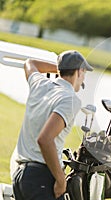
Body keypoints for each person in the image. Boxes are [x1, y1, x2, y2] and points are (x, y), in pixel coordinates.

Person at [11, 50, 93, 200]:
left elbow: (30, 63)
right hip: (41, 178)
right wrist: (61, 180)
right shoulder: (71, 99)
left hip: (21, 177)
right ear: (79, 71)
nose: (83, 79)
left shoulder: (39, 84)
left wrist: (62, 68)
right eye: (84, 73)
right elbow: (45, 139)